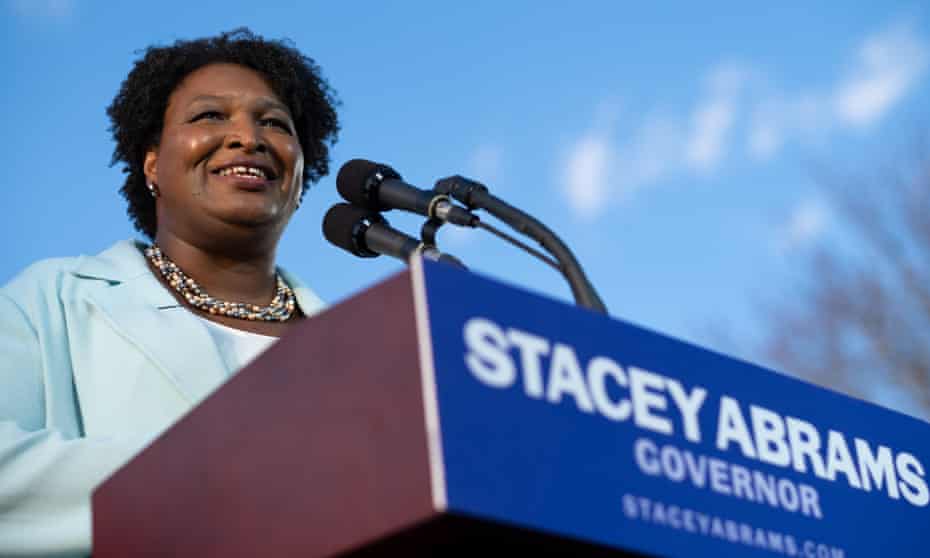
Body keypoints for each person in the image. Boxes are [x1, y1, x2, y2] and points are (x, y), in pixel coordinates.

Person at [0, 28, 340, 556]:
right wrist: (209, 484)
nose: (248, 137)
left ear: (299, 177)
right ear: (152, 163)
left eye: (273, 123)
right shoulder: (52, 299)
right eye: (210, 116)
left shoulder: (360, 346)